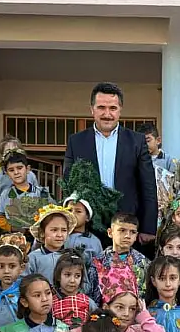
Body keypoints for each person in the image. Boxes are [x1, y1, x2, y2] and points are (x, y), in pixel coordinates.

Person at [62, 83, 157, 243]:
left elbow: (148, 186)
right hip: (88, 226)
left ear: (120, 110)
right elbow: (68, 185)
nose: (107, 114)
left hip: (128, 227)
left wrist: (148, 228)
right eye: (101, 107)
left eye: (112, 108)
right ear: (92, 109)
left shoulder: (136, 141)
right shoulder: (76, 141)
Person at [25, 203, 76, 283]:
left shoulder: (72, 257)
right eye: (54, 230)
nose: (59, 235)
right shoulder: (33, 258)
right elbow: (24, 283)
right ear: (42, 232)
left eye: (64, 230)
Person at [52, 250, 95, 329]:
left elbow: (96, 321)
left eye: (77, 276)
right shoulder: (51, 302)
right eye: (67, 275)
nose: (72, 280)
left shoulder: (87, 301)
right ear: (58, 276)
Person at [63, 196, 103, 263]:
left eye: (78, 211)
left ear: (87, 217)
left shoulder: (94, 242)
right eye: (69, 210)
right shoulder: (58, 236)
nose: (72, 214)